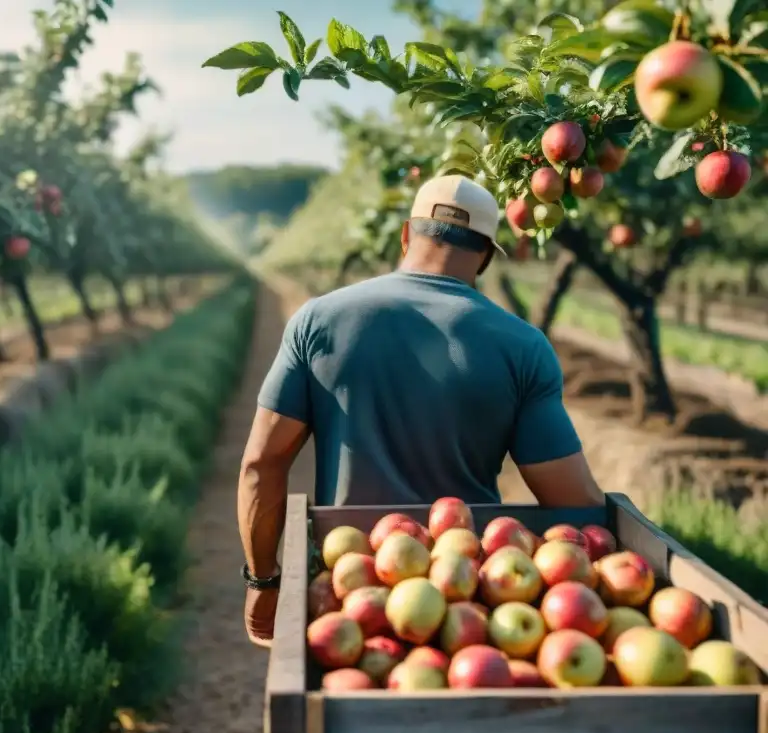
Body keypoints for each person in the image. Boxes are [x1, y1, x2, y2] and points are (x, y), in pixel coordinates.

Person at [236, 174, 605, 647]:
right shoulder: (523, 347)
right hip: (472, 595)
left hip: (347, 589)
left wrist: (264, 583)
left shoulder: (318, 321)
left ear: (407, 235)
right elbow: (573, 502)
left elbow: (260, 464)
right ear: (487, 256)